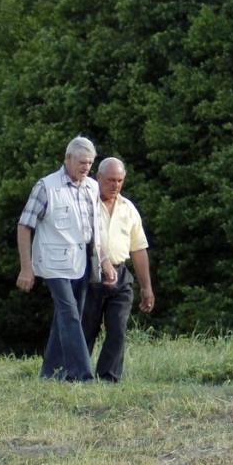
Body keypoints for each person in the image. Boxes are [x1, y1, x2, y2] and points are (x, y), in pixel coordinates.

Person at [16, 136, 117, 381]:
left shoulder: (92, 187)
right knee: (70, 315)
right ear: (68, 158)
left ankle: (49, 373)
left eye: (90, 163)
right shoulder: (46, 186)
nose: (86, 167)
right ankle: (82, 375)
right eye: (82, 162)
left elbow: (96, 229)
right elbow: (24, 225)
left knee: (67, 316)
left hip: (80, 263)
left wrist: (104, 260)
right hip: (53, 265)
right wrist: (26, 268)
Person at [81, 157, 154, 382]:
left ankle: (109, 377)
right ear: (98, 178)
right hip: (90, 272)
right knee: (86, 327)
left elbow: (139, 249)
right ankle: (78, 373)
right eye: (111, 179)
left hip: (120, 273)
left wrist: (146, 287)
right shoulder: (87, 204)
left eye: (120, 180)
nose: (115, 185)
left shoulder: (128, 208)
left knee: (118, 328)